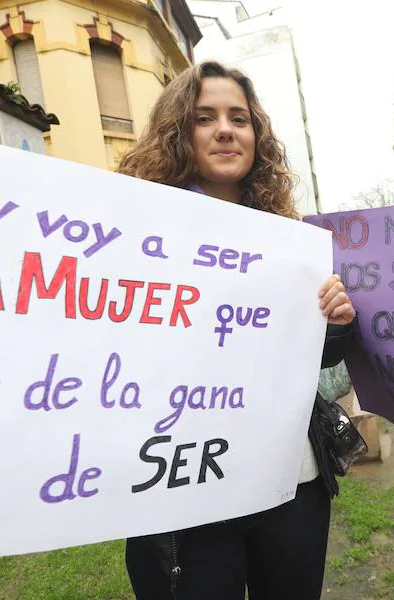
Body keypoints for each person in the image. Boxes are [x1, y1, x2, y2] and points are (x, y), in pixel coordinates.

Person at [116, 61, 355, 600]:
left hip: (291, 483)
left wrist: (336, 323)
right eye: (205, 118)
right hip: (184, 491)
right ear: (179, 133)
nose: (225, 129)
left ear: (256, 136)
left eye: (238, 118)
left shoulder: (291, 238)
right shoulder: (136, 234)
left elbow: (313, 358)